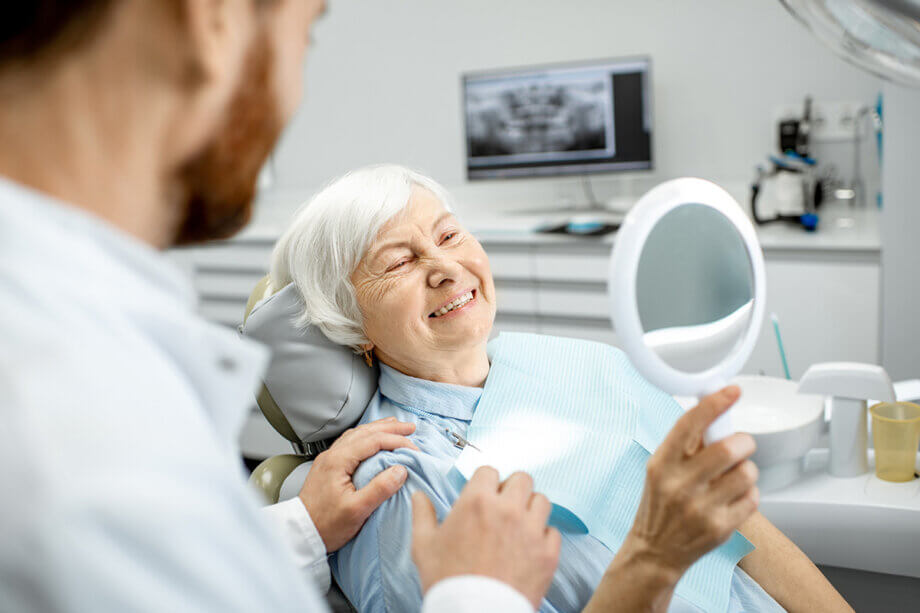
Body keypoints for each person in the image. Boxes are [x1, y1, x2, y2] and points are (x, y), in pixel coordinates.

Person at [0, 2, 555, 611]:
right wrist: (479, 594)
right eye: (308, 29)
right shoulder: (69, 419)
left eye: (448, 235)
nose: (293, 92)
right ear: (212, 19)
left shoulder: (72, 350)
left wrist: (304, 527)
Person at [270, 164, 854, 612]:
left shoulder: (575, 361)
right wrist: (654, 556)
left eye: (449, 235)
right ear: (350, 322)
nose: (444, 267)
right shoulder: (395, 485)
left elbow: (742, 528)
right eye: (398, 262)